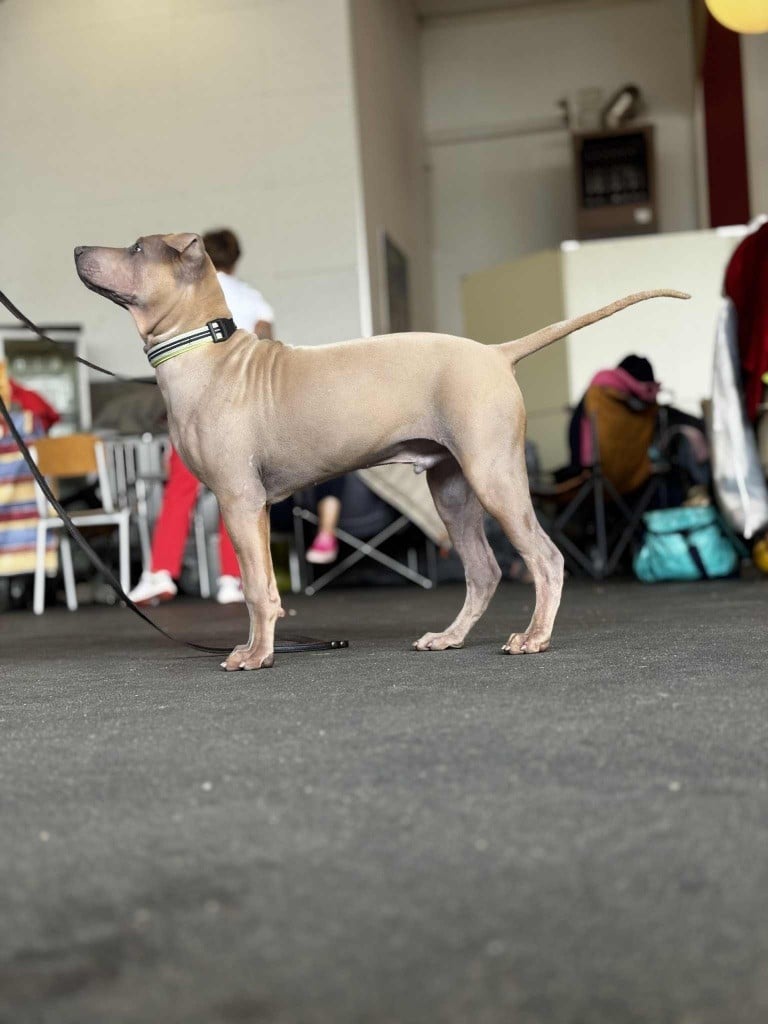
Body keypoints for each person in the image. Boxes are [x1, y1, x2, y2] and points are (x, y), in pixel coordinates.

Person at [129, 229, 275, 606]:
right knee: (239, 492)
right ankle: (233, 579)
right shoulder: (253, 298)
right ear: (237, 258)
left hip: (197, 404)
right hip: (241, 406)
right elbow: (266, 347)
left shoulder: (193, 289)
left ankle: (160, 572)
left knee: (179, 489)